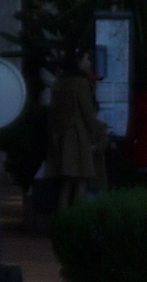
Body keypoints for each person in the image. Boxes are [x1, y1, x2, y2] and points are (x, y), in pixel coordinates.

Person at [46, 51, 109, 208]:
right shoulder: (81, 84)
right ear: (78, 62)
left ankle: (63, 222)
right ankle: (78, 220)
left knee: (66, 185)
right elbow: (87, 113)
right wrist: (99, 135)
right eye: (87, 59)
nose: (90, 63)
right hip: (78, 138)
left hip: (61, 137)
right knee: (81, 180)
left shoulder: (59, 83)